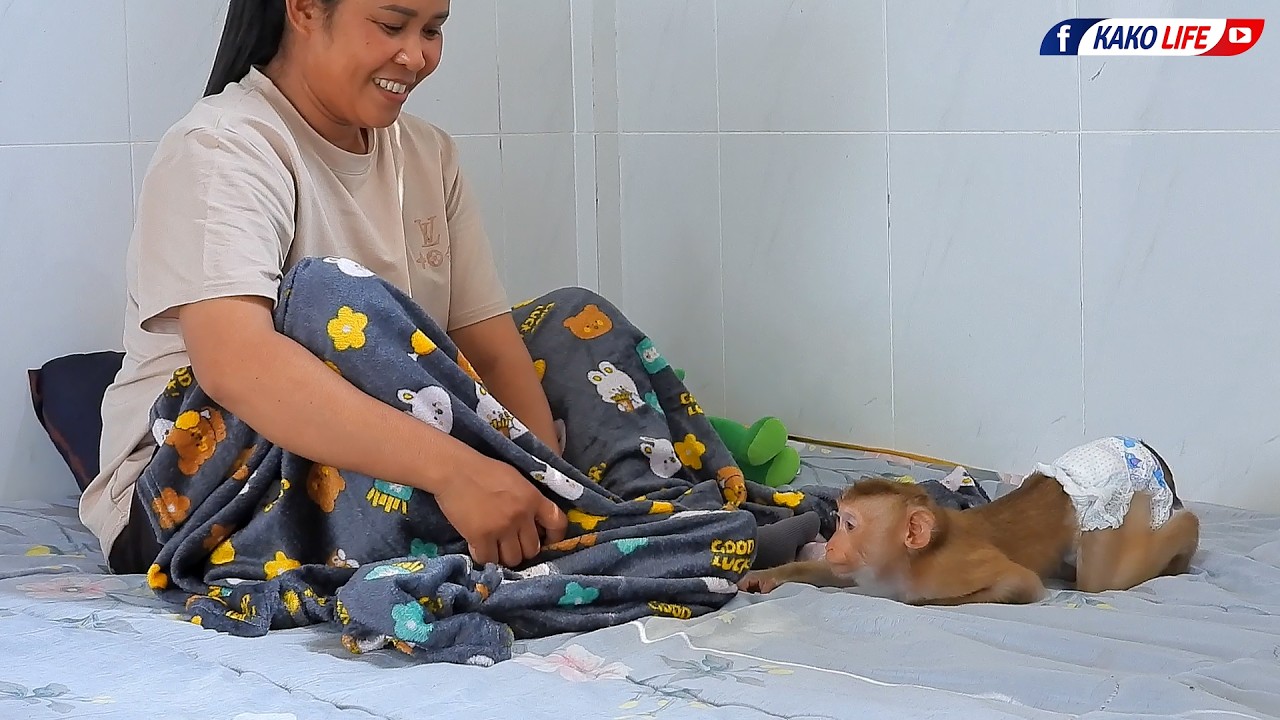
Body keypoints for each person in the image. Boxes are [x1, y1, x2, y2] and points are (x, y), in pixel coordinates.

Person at [82, 0, 828, 653]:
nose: (417, 56)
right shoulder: (224, 145)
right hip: (192, 497)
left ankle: (599, 522)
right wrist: (461, 473)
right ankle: (626, 541)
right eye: (392, 24)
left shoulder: (429, 155)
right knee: (330, 302)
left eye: (434, 28)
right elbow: (235, 364)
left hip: (362, 456)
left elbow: (494, 350)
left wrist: (542, 486)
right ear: (304, 8)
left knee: (572, 318)